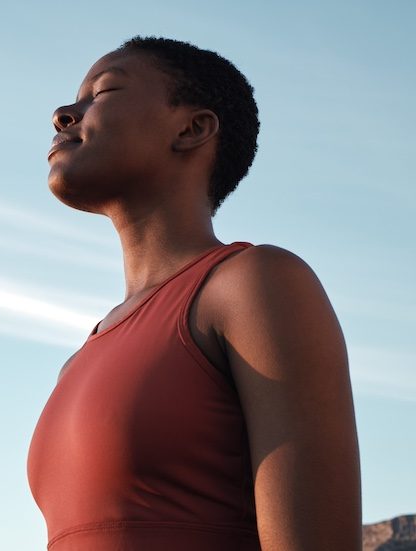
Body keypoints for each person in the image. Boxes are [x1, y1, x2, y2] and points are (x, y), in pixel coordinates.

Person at [26, 36, 361, 550]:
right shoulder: (78, 360)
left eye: (104, 91)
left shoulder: (254, 284)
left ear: (192, 128)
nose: (63, 114)